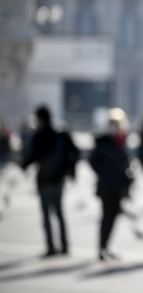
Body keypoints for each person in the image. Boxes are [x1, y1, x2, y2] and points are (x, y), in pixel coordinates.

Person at [21, 105, 79, 257]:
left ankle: (51, 246)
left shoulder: (39, 135)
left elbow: (32, 156)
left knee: (47, 215)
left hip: (44, 180)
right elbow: (75, 152)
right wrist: (70, 170)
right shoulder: (61, 133)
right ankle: (65, 245)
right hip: (58, 179)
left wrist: (22, 165)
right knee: (59, 213)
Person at [89, 108, 133, 261]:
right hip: (107, 186)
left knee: (114, 217)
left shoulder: (122, 141)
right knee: (106, 217)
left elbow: (126, 162)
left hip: (119, 186)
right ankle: (101, 247)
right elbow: (93, 162)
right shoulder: (103, 142)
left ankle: (107, 245)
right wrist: (106, 173)